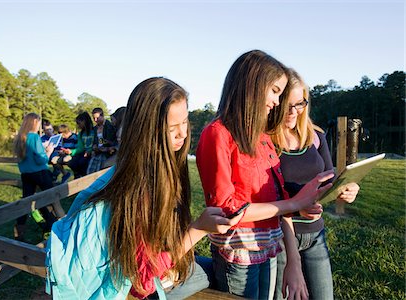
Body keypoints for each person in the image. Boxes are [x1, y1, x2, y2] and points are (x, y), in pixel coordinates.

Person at [47, 77, 242, 299]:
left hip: (160, 267)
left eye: (185, 122)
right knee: (225, 277)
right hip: (149, 283)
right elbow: (142, 281)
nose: (183, 134)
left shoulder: (156, 169)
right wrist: (199, 229)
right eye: (172, 128)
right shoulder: (142, 187)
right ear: (146, 131)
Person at [195, 50, 334, 299]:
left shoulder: (263, 136)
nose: (277, 102)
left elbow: (274, 194)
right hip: (238, 254)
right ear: (253, 85)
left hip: (268, 248)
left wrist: (299, 205)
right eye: (274, 91)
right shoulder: (217, 134)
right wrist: (292, 203)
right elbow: (226, 210)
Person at [271, 68, 359, 300]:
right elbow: (269, 198)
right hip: (281, 238)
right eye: (286, 105)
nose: (293, 112)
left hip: (316, 235)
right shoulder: (267, 141)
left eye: (299, 104)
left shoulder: (316, 136)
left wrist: (346, 189)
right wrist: (293, 260)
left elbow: (328, 179)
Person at [13, 113, 58, 241]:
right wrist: (48, 151)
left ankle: (19, 233)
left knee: (25, 203)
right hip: (40, 173)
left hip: (26, 174)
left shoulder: (19, 138)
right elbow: (40, 159)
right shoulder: (34, 137)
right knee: (50, 200)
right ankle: (53, 227)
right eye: (38, 123)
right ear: (34, 123)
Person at [64, 112, 95, 178]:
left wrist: (90, 151)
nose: (78, 126)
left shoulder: (94, 131)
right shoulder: (81, 134)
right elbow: (80, 148)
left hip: (92, 152)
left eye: (79, 123)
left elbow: (98, 143)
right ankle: (78, 176)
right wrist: (71, 151)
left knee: (82, 163)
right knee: (72, 163)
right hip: (83, 153)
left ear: (84, 121)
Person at [86, 107, 117, 174]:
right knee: (90, 171)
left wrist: (102, 145)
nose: (95, 120)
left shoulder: (109, 126)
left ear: (102, 116)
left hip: (106, 152)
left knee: (99, 171)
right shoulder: (95, 128)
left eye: (97, 118)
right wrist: (95, 146)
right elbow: (95, 140)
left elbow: (110, 141)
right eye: (94, 118)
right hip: (97, 151)